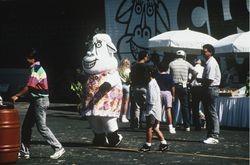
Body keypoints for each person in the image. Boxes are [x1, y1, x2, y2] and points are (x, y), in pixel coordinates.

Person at [11, 49, 65, 159]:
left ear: (33, 59)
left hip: (40, 101)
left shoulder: (36, 69)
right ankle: (24, 150)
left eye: (28, 57)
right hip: (37, 101)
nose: (26, 59)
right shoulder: (35, 68)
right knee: (26, 126)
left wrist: (17, 95)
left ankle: (58, 147)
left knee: (42, 127)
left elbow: (30, 86)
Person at [139, 65, 169, 152]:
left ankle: (148, 144)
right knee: (155, 127)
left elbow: (152, 99)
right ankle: (164, 143)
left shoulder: (151, 84)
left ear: (149, 73)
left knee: (149, 127)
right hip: (156, 108)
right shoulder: (154, 82)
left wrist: (146, 104)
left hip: (152, 109)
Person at [168, 50, 197, 131]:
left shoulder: (171, 63)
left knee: (173, 106)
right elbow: (195, 72)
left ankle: (173, 125)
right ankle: (187, 126)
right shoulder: (187, 63)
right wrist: (190, 81)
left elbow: (167, 74)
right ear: (184, 56)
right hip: (184, 86)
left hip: (173, 86)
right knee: (185, 106)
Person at [200, 44, 221, 144]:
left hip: (211, 88)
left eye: (204, 51)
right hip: (209, 88)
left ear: (210, 52)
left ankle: (214, 135)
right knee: (208, 112)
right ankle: (210, 134)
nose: (203, 53)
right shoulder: (209, 62)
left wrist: (201, 81)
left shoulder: (211, 63)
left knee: (211, 112)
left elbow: (210, 79)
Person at [129, 51, 150, 129]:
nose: (147, 58)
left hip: (135, 87)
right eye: (147, 56)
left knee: (136, 107)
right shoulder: (146, 66)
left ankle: (135, 124)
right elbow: (147, 77)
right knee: (145, 106)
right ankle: (144, 123)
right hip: (144, 87)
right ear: (144, 57)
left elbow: (131, 76)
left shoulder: (133, 66)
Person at [155, 62, 176, 134]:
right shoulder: (169, 76)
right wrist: (173, 95)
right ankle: (170, 127)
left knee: (158, 110)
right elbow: (172, 87)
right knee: (168, 110)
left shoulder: (156, 76)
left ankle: (157, 125)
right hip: (167, 93)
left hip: (159, 93)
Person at [189, 58, 205, 131]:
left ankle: (197, 125)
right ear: (200, 62)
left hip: (194, 89)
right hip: (202, 88)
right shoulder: (204, 68)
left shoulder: (192, 69)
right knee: (205, 106)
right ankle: (207, 124)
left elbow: (189, 79)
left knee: (195, 107)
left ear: (194, 62)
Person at [118, 58, 131, 123]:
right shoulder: (128, 70)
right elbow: (129, 80)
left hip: (119, 86)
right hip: (126, 86)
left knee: (119, 102)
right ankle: (123, 116)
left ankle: (118, 115)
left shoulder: (118, 70)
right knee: (125, 103)